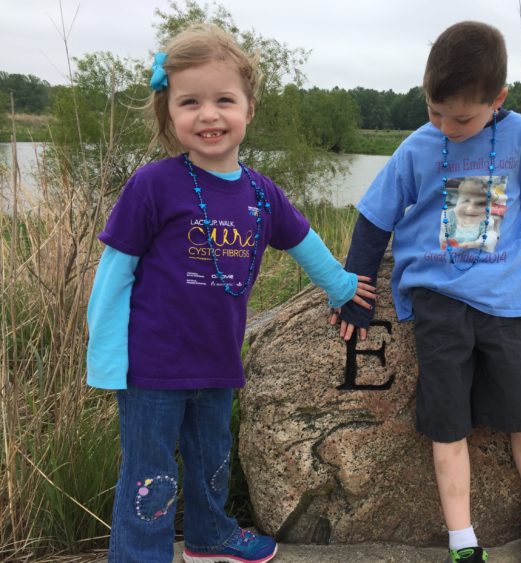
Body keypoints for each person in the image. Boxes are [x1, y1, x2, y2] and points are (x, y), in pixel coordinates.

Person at [86, 24, 375, 563]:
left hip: (219, 361)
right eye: (190, 102)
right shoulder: (153, 185)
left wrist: (341, 288)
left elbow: (305, 242)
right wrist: (105, 359)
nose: (209, 114)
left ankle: (209, 536)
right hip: (151, 367)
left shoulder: (262, 194)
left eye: (224, 100)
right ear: (169, 112)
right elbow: (115, 272)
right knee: (149, 476)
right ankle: (139, 555)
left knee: (210, 460)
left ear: (249, 108)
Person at [331, 21, 521, 563]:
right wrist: (354, 291)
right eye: (435, 111)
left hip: (503, 302)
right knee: (447, 421)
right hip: (437, 300)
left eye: (461, 117)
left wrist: (520, 262)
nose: (445, 125)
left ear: (497, 99)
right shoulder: (419, 145)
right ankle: (463, 544)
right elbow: (372, 220)